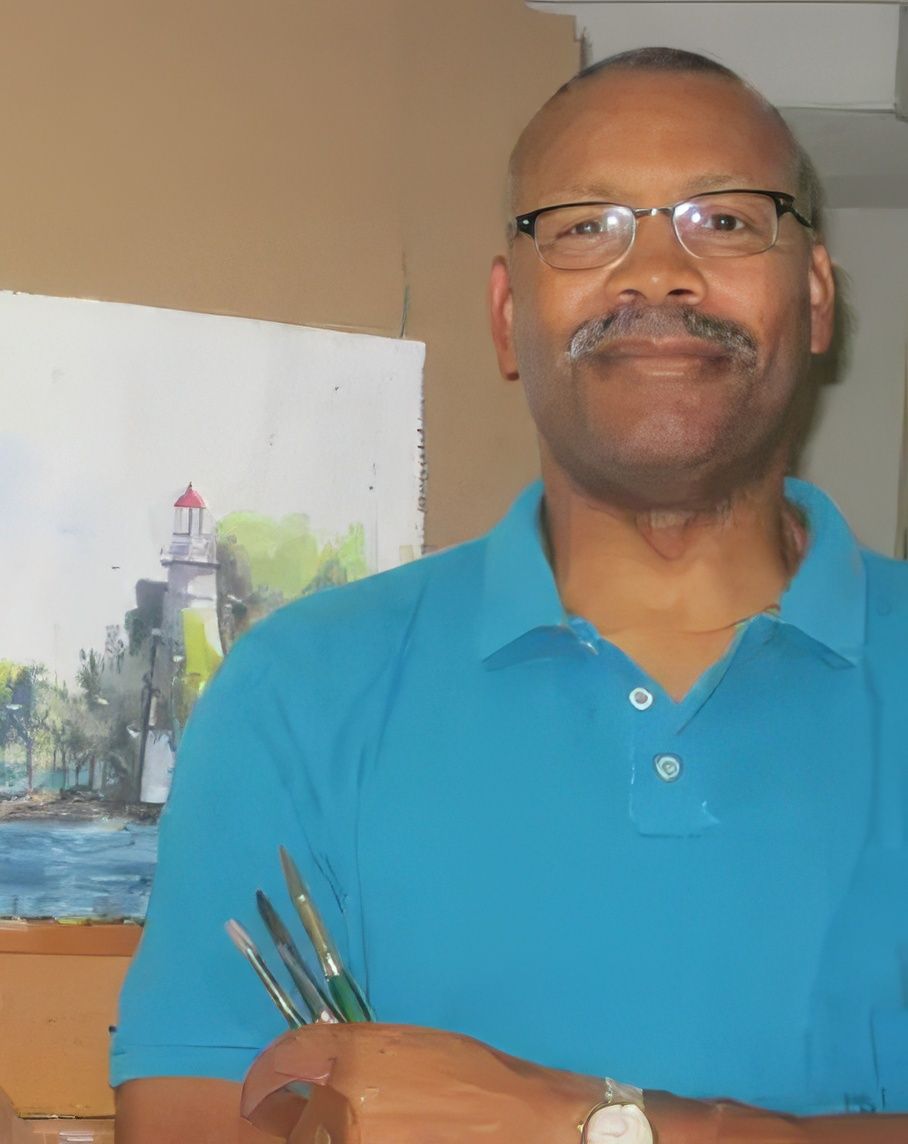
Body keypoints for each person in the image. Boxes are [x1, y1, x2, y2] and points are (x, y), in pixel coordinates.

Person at [112, 47, 908, 1142]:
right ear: (504, 314)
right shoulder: (298, 689)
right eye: (585, 225)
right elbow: (192, 1116)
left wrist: (576, 1121)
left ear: (813, 296)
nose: (658, 274)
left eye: (722, 221)